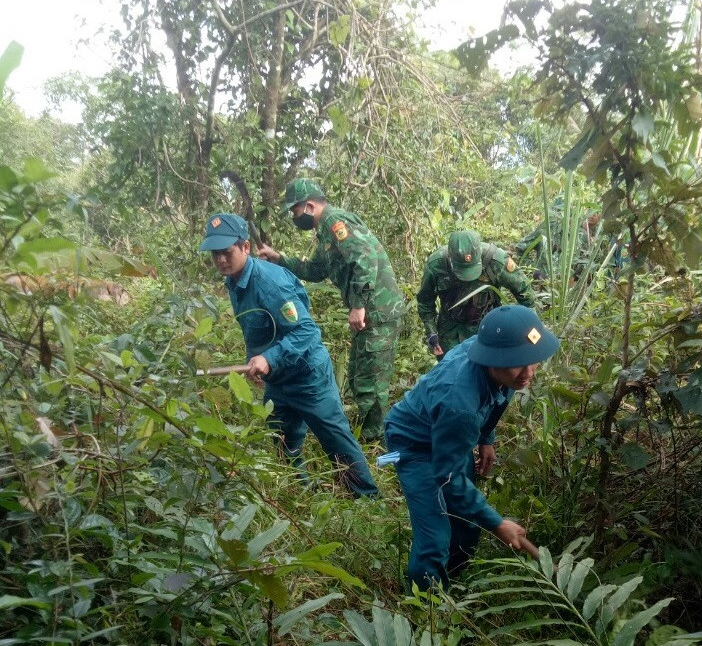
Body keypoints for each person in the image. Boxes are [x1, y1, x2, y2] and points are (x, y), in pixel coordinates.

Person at [200, 212, 378, 497]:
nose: (220, 259)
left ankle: (367, 499)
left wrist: (269, 359)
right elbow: (256, 327)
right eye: (215, 254)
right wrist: (256, 360)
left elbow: (307, 332)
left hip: (307, 376)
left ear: (245, 247)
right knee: (282, 438)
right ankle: (301, 493)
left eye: (227, 252)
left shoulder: (270, 283)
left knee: (336, 441)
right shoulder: (233, 281)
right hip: (279, 379)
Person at [384, 305, 560, 590]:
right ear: (493, 359)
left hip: (451, 435)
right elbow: (448, 476)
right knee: (435, 540)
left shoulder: (504, 362)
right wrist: (498, 523)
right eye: (519, 363)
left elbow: (496, 401)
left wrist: (485, 438)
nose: (528, 373)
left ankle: (452, 581)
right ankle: (426, 613)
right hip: (415, 444)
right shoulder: (460, 404)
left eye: (533, 361)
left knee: (466, 524)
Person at [257, 179, 405, 442]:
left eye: (295, 210)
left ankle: (375, 442)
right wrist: (280, 259)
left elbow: (364, 259)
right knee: (360, 375)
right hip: (368, 313)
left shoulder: (336, 222)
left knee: (371, 381)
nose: (294, 216)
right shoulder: (324, 232)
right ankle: (367, 434)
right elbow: (315, 270)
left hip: (378, 310)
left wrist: (358, 305)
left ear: (310, 206)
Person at [417, 230, 535, 358]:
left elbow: (524, 293)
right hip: (451, 329)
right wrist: (432, 332)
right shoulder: (436, 264)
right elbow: (425, 300)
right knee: (452, 370)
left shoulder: (496, 260)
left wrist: (528, 327)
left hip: (489, 326)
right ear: (450, 258)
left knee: (490, 371)